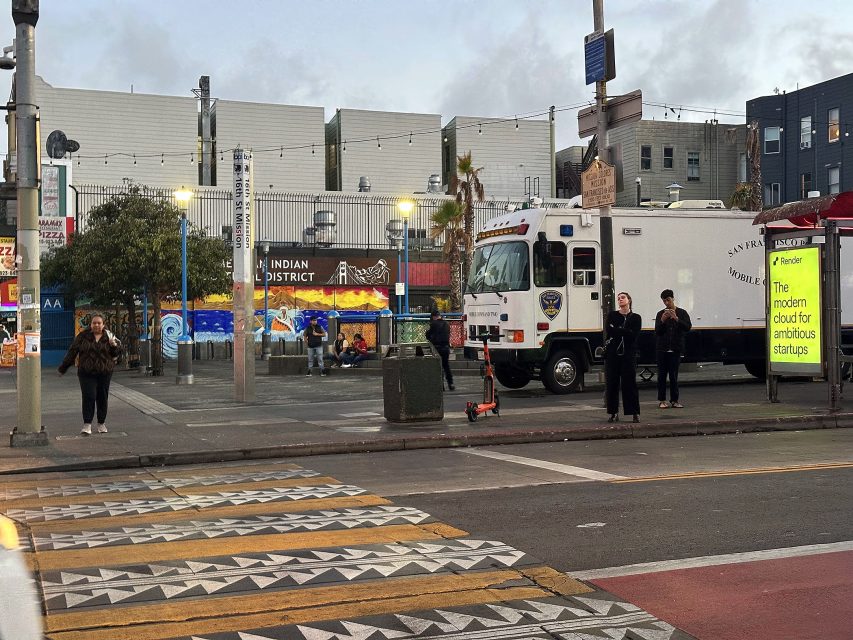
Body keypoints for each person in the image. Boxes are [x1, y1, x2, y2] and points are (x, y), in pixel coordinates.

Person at [58, 313, 122, 435]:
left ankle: (101, 423)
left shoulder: (109, 336)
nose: (96, 325)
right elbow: (73, 351)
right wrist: (63, 368)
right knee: (89, 396)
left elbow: (117, 354)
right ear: (90, 324)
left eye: (99, 323)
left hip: (104, 372)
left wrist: (113, 346)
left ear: (103, 324)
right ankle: (87, 424)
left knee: (102, 397)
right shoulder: (83, 336)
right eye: (94, 323)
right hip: (86, 373)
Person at [604, 292, 641, 423]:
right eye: (618, 298)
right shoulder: (612, 315)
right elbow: (609, 330)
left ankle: (634, 412)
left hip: (628, 355)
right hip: (613, 355)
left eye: (623, 297)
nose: (620, 299)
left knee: (630, 384)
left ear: (629, 300)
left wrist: (618, 330)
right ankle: (613, 412)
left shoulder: (636, 317)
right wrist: (625, 331)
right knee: (612, 384)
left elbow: (633, 335)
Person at [655, 288, 692, 409]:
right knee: (661, 376)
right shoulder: (660, 314)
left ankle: (674, 400)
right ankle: (662, 400)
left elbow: (687, 327)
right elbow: (658, 332)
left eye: (668, 300)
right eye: (664, 301)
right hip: (662, 349)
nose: (666, 303)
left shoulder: (682, 313)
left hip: (675, 349)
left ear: (673, 299)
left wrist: (676, 319)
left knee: (673, 376)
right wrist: (662, 320)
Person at [425, 309, 454, 391]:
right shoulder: (446, 324)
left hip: (437, 348)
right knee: (446, 366)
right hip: (446, 348)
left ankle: (441, 386)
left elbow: (428, 335)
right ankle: (450, 384)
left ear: (433, 316)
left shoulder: (433, 324)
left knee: (438, 366)